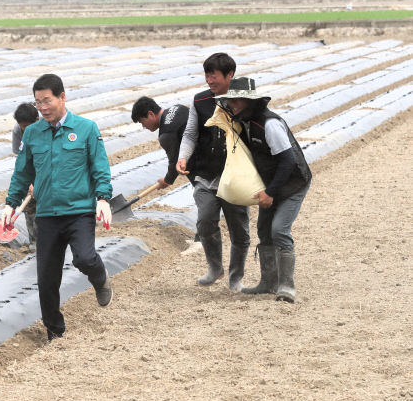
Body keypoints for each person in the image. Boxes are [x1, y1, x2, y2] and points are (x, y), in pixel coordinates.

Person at [1, 74, 114, 341]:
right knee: (47, 280)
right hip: (47, 215)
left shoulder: (86, 128)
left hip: (78, 212)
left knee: (85, 259)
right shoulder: (32, 133)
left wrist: (103, 198)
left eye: (47, 100)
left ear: (62, 97)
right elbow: (22, 172)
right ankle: (55, 331)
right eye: (38, 102)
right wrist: (10, 205)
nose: (42, 107)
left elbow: (100, 166)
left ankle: (99, 277)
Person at [215, 77, 312, 303]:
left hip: (292, 183)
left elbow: (288, 161)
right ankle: (268, 282)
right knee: (264, 230)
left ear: (251, 102)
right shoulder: (243, 124)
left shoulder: (269, 124)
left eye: (239, 100)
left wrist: (270, 193)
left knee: (279, 230)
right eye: (231, 100)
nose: (233, 104)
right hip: (270, 181)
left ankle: (287, 285)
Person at [176, 53, 250, 291]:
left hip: (235, 177)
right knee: (205, 220)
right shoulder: (200, 102)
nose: (209, 79)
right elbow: (190, 134)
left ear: (229, 75)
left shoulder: (243, 101)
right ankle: (215, 267)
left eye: (213, 75)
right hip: (205, 175)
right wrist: (183, 156)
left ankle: (236, 276)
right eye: (206, 74)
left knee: (239, 228)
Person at [130, 96, 202, 255]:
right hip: (209, 152)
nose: (144, 127)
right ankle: (201, 237)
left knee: (203, 197)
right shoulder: (177, 108)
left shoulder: (166, 134)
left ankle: (201, 242)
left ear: (150, 114)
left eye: (142, 123)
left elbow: (174, 162)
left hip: (201, 163)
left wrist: (167, 180)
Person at [11, 102, 40, 252]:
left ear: (36, 120)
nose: (24, 129)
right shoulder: (18, 131)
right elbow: (21, 159)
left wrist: (41, 180)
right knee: (29, 208)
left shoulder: (48, 127)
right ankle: (34, 244)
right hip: (30, 168)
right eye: (22, 126)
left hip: (48, 168)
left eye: (27, 126)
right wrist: (29, 182)